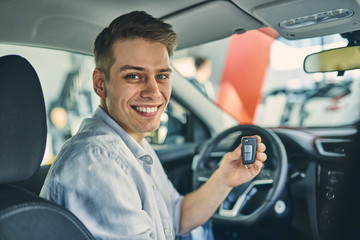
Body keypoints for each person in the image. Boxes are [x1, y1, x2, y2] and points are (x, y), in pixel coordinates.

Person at [40, 11, 267, 239]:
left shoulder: (131, 143)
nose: (153, 92)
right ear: (101, 84)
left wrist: (225, 178)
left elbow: (175, 218)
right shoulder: (97, 162)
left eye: (161, 76)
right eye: (134, 76)